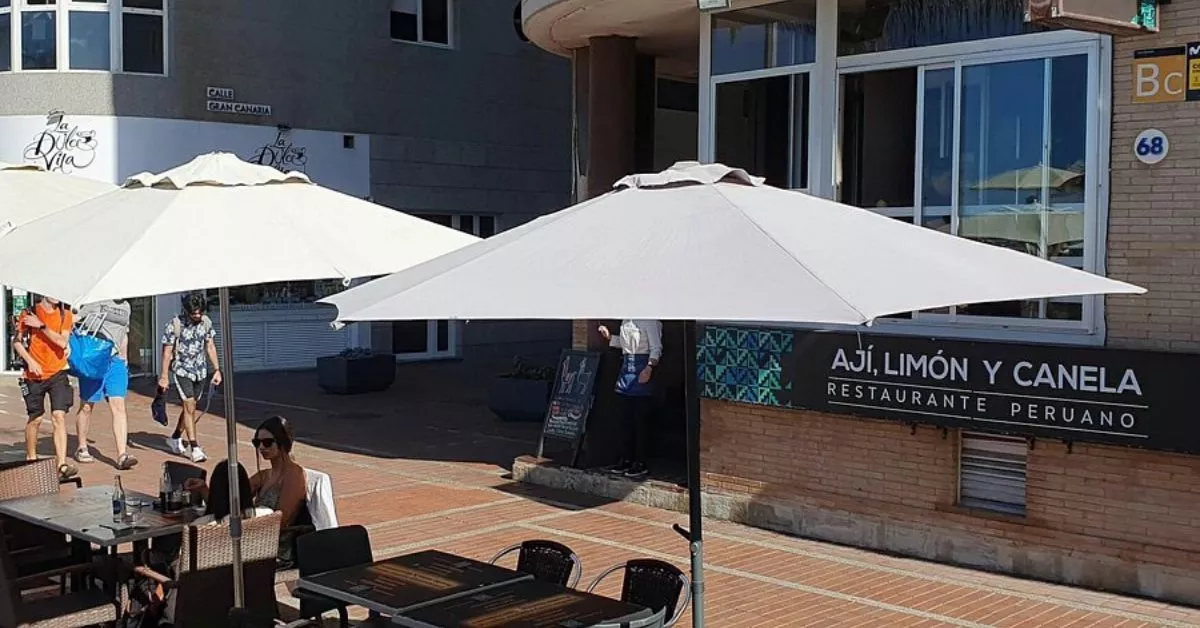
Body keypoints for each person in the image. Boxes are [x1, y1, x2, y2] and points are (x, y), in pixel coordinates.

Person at [12, 295, 77, 480]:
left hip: (58, 372)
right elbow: (17, 342)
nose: (56, 295)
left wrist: (41, 325)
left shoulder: (65, 315)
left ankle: (62, 464)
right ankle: (31, 458)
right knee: (36, 418)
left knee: (59, 416)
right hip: (34, 375)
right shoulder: (29, 312)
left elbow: (62, 342)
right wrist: (30, 361)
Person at [73, 299, 137, 470]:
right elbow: (75, 320)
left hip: (116, 361)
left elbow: (124, 333)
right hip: (95, 358)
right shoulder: (98, 300)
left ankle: (122, 455)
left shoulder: (126, 306)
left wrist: (124, 359)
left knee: (119, 406)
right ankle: (82, 447)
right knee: (87, 405)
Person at [158, 293, 222, 463]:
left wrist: (217, 369)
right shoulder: (175, 325)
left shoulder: (206, 323)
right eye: (194, 313)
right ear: (186, 311)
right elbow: (167, 352)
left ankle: (175, 437)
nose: (197, 316)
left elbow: (210, 346)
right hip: (181, 370)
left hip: (200, 371)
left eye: (200, 312)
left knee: (191, 407)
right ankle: (194, 447)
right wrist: (164, 376)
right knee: (189, 404)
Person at [598, 320, 663, 479]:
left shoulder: (650, 321)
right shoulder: (625, 320)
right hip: (627, 370)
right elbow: (625, 343)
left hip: (642, 369)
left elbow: (656, 347)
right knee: (624, 420)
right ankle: (626, 458)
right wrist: (609, 338)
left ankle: (640, 462)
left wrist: (650, 367)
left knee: (640, 421)